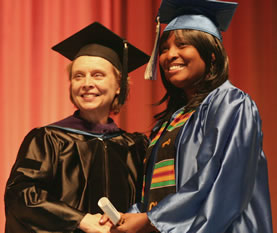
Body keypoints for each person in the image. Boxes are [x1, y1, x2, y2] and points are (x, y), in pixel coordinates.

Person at [103, 0, 273, 232]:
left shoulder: (231, 103)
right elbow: (157, 193)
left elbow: (221, 183)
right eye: (164, 49)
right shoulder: (169, 122)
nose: (170, 55)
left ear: (211, 55)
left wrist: (151, 220)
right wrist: (129, 216)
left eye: (182, 45)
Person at [4, 22, 150, 233]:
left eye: (98, 75)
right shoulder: (48, 139)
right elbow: (21, 195)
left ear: (119, 86)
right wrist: (79, 220)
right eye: (78, 76)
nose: (87, 83)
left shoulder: (136, 147)